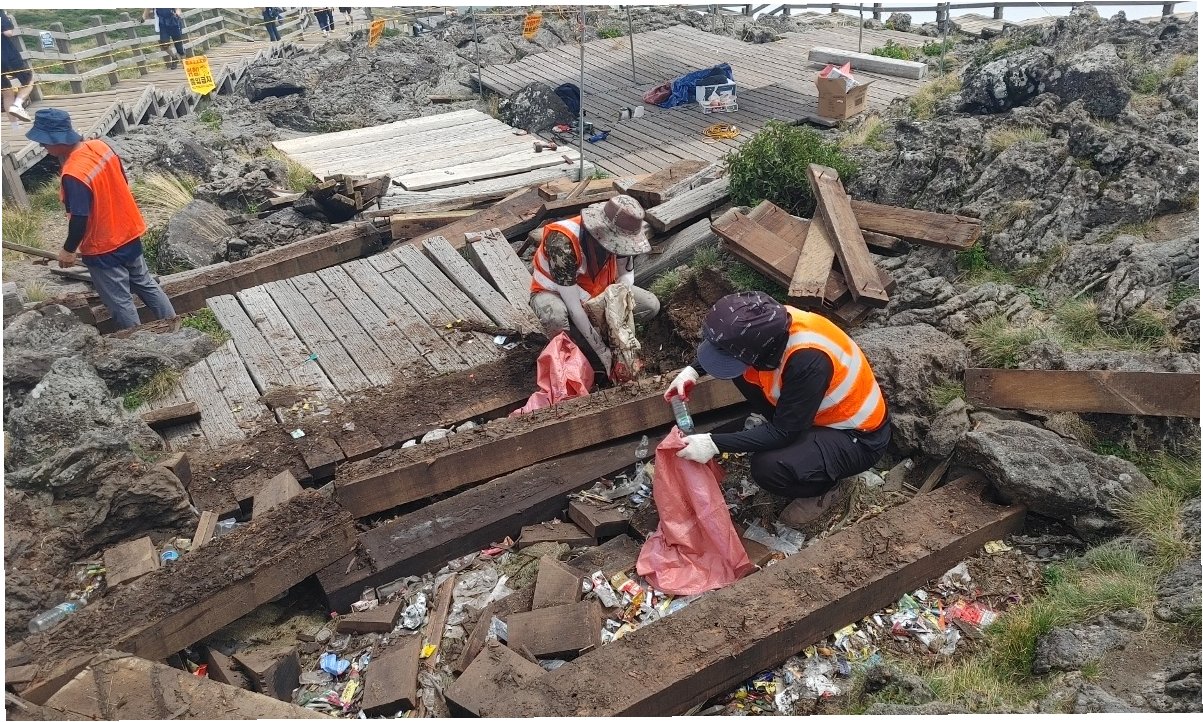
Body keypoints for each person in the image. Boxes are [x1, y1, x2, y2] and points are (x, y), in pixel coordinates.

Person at [664, 291, 891, 527]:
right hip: (811, 412)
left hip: (857, 437)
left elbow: (785, 433)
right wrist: (692, 371)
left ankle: (824, 489)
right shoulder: (763, 322)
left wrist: (714, 444)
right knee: (741, 372)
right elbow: (727, 346)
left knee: (768, 468)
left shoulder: (808, 360)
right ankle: (786, 433)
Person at [27, 109, 176, 330]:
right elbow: (122, 181)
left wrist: (68, 250)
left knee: (120, 300)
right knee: (145, 283)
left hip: (103, 246)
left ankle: (136, 340)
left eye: (44, 142)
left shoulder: (74, 173)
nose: (43, 146)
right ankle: (173, 323)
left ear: (58, 140)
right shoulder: (100, 146)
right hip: (128, 230)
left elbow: (80, 218)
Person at [529, 194, 660, 382]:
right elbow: (574, 307)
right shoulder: (562, 242)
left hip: (596, 292)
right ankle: (575, 355)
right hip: (555, 293)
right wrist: (602, 352)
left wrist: (618, 303)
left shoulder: (623, 237)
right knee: (556, 318)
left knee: (650, 305)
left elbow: (626, 273)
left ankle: (595, 333)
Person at [1, 10, 34, 121]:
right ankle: (17, 104)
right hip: (7, 56)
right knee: (29, 79)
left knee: (7, 93)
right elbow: (8, 32)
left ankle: (15, 128)